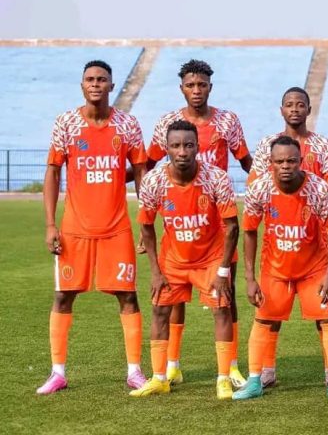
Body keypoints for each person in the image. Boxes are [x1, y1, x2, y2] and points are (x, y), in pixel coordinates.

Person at [138, 59, 251, 388]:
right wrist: (149, 207)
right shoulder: (167, 124)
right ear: (182, 88)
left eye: (202, 85)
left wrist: (267, 188)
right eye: (191, 85)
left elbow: (246, 161)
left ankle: (230, 367)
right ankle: (171, 366)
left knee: (226, 295)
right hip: (179, 219)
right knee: (172, 300)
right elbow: (147, 164)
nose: (197, 90)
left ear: (210, 87)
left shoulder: (227, 121)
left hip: (218, 224)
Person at [38, 60, 148, 394]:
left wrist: (145, 221)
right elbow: (53, 171)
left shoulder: (127, 125)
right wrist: (50, 224)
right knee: (63, 296)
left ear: (111, 86)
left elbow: (141, 172)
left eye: (102, 79)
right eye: (90, 79)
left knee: (128, 296)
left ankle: (134, 371)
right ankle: (58, 372)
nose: (96, 84)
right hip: (74, 229)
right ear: (82, 85)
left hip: (116, 229)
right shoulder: (66, 123)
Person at [233, 136, 328, 402]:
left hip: (314, 269)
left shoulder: (319, 189)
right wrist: (250, 278)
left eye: (291, 161)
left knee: (327, 319)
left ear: (301, 161)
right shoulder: (259, 188)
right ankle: (255, 380)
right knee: (263, 320)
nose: (286, 166)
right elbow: (249, 232)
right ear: (270, 163)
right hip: (274, 269)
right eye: (279, 161)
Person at [130, 120, 239, 399]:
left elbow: (232, 227)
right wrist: (155, 271)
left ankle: (223, 379)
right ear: (166, 148)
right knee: (160, 311)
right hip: (173, 260)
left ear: (197, 147)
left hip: (210, 258)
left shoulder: (216, 178)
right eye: (176, 145)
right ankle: (159, 378)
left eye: (188, 145)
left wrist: (223, 271)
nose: (182, 151)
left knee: (221, 310)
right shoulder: (153, 180)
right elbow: (146, 227)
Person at [247, 86, 328, 388]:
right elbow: (256, 197)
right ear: (281, 110)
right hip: (278, 246)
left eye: (300, 104)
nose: (294, 109)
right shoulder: (267, 146)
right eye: (289, 104)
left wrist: (312, 207)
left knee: (323, 314)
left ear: (308, 109)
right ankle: (265, 371)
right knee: (270, 313)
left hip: (314, 241)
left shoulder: (323, 146)